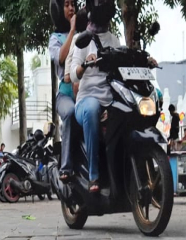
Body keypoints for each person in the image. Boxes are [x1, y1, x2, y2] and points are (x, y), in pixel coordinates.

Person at [70, 0, 122, 192]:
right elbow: (73, 74)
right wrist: (84, 64)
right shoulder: (83, 40)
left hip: (110, 98)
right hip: (86, 100)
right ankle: (94, 176)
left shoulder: (114, 40)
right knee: (92, 109)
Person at [49, 0, 77, 181]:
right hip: (66, 94)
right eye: (67, 4)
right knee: (71, 113)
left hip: (87, 90)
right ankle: (66, 167)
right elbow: (60, 58)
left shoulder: (86, 32)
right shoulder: (55, 38)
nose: (71, 8)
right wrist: (73, 31)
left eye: (73, 4)